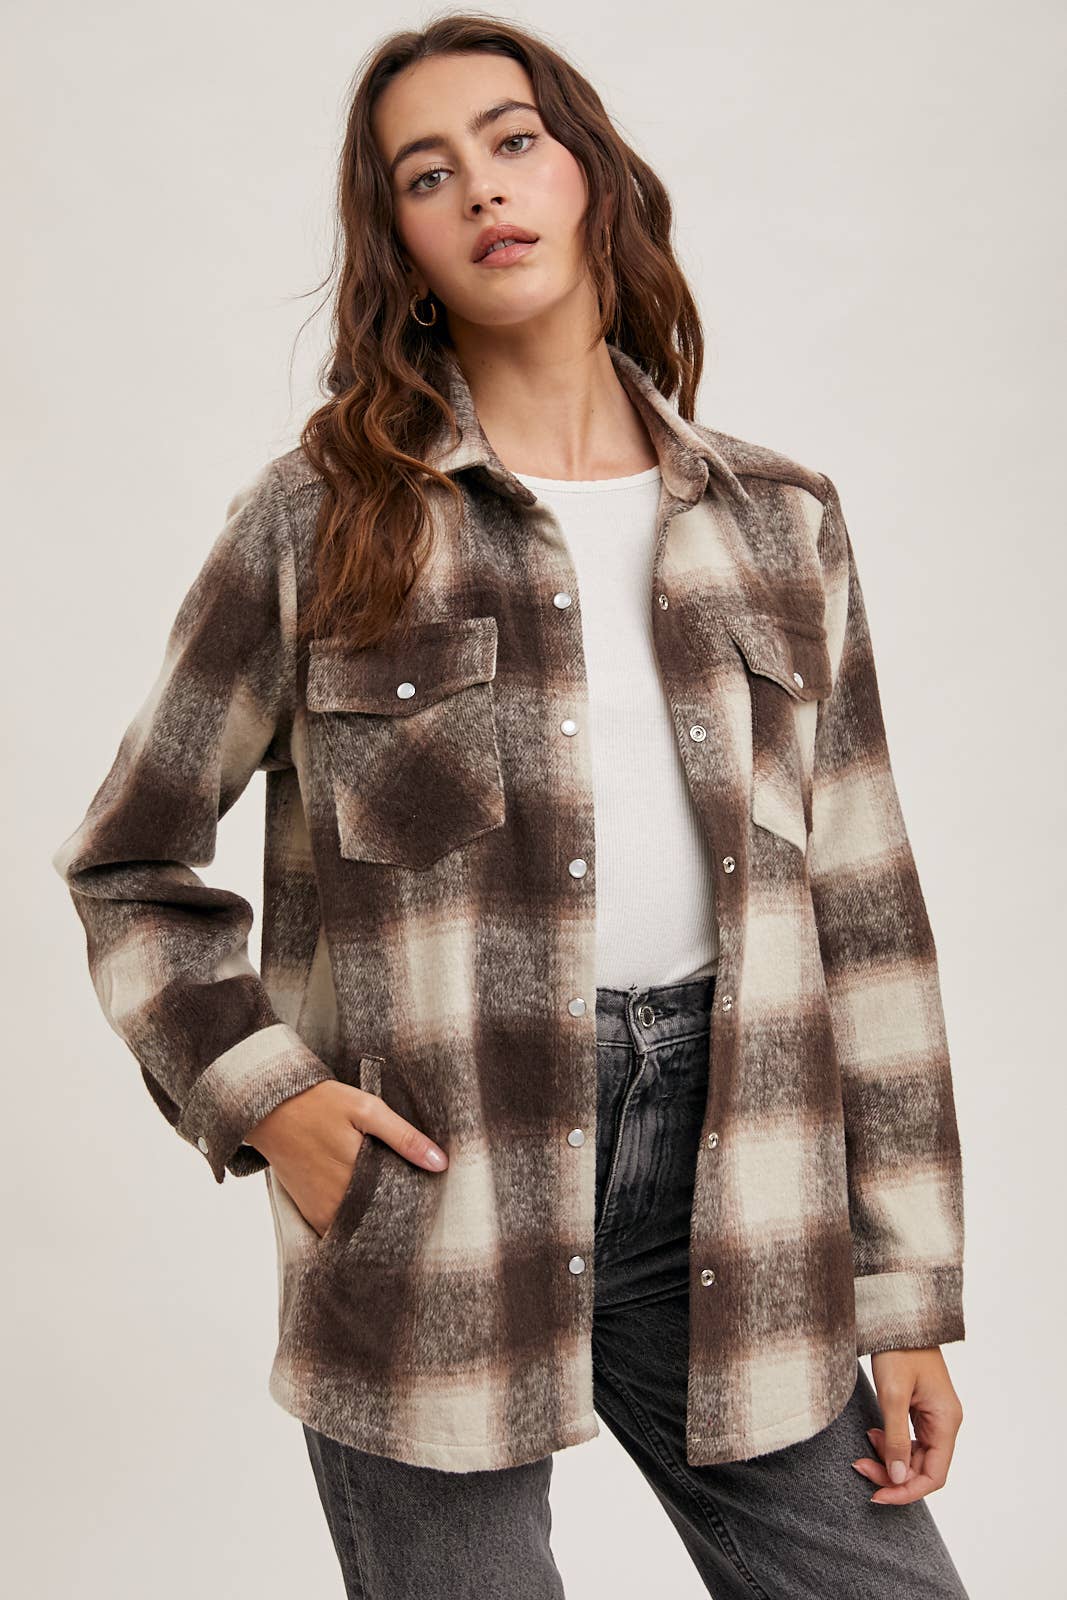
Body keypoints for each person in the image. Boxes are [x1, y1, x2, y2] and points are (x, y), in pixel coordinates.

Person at [51, 14, 971, 1598]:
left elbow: (868, 919)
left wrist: (906, 1298)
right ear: (399, 246)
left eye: (513, 140)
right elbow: (129, 860)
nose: (481, 187)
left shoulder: (781, 522)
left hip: (739, 1187)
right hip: (436, 1201)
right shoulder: (320, 524)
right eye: (426, 174)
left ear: (591, 172)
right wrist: (266, 1096)